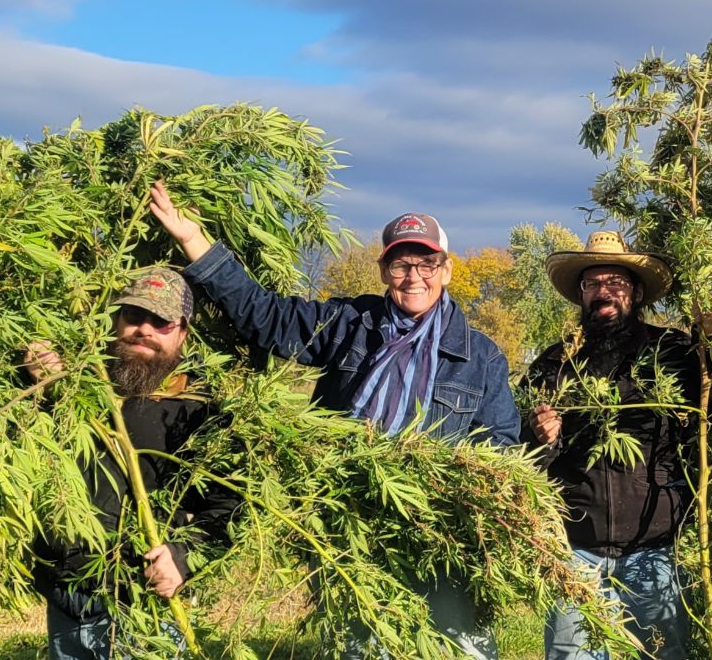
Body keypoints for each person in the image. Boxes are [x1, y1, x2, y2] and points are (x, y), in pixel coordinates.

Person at [148, 181, 519, 660]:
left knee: (454, 648)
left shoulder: (481, 355)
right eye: (401, 264)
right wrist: (194, 243)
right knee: (360, 646)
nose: (414, 277)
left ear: (445, 271)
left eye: (426, 263)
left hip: (436, 538)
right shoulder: (350, 323)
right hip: (351, 527)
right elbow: (266, 316)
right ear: (384, 269)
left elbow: (501, 448)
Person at [521, 231, 712, 660]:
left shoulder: (673, 351)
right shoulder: (556, 361)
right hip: (574, 545)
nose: (603, 292)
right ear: (581, 295)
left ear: (636, 292)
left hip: (653, 546)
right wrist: (541, 436)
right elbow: (523, 450)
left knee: (664, 652)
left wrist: (711, 345)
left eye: (615, 283)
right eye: (592, 284)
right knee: (571, 654)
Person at [25, 267, 238, 660]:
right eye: (134, 316)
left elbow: (228, 507)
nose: (145, 329)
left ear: (183, 333)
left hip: (147, 602)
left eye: (161, 321)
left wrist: (183, 558)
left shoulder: (198, 411)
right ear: (116, 321)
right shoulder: (74, 385)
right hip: (69, 593)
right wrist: (35, 387)